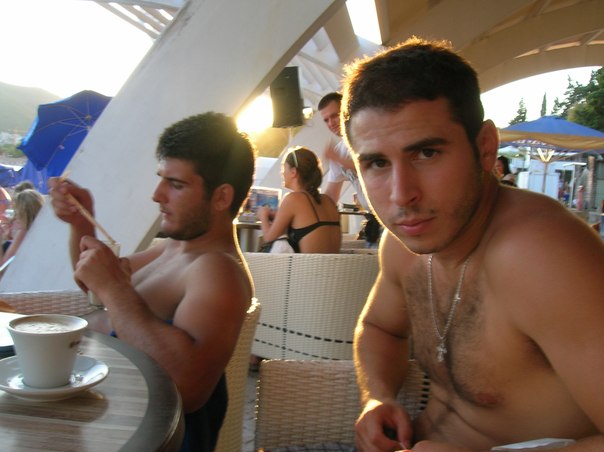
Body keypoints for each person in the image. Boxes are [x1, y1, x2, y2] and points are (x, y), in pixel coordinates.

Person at [340, 37, 604, 451]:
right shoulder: (403, 244)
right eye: (377, 163)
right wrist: (377, 396)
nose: (401, 195)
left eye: (427, 153)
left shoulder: (541, 255)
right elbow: (378, 328)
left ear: (484, 147)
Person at [48, 112, 256, 452]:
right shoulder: (174, 248)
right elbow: (98, 286)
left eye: (176, 184)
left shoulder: (218, 271)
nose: (157, 195)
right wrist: (80, 223)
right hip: (107, 416)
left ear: (221, 197)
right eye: (161, 179)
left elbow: (188, 388)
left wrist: (114, 289)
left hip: (141, 439)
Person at [319, 92, 381, 245]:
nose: (331, 123)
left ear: (347, 110)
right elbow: (331, 195)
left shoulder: (370, 137)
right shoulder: (338, 150)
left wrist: (338, 159)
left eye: (334, 116)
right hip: (373, 219)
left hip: (390, 215)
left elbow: (374, 168)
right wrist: (306, 202)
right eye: (326, 120)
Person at [257, 146, 341, 253]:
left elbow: (268, 237)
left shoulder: (292, 198)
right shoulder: (328, 200)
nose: (282, 173)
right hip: (336, 264)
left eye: (283, 168)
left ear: (293, 172)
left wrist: (263, 215)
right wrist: (277, 215)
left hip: (306, 264)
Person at [0, 188, 45, 267]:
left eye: (15, 215)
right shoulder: (41, 230)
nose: (12, 220)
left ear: (22, 215)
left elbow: (3, 270)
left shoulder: (24, 232)